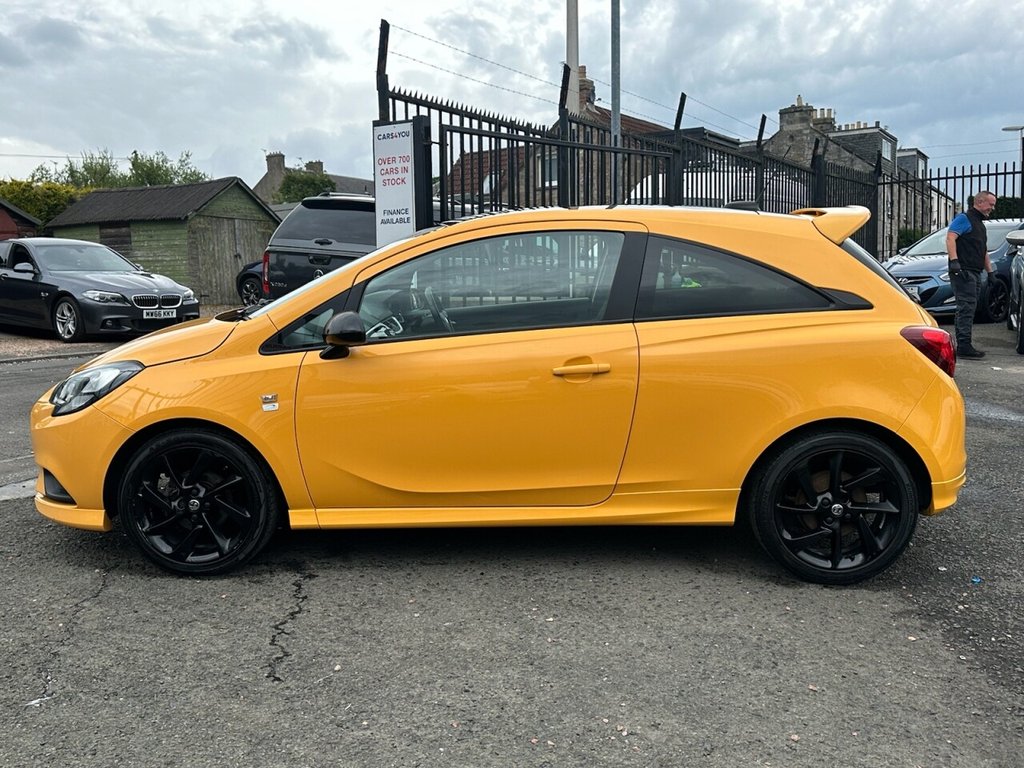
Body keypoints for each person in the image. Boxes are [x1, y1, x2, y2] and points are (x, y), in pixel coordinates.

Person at [945, 190, 997, 359]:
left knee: (969, 307)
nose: (992, 208)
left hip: (974, 271)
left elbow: (983, 251)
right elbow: (950, 237)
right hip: (963, 270)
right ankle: (964, 346)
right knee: (966, 307)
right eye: (991, 204)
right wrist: (954, 262)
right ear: (980, 202)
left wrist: (990, 273)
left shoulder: (979, 224)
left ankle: (963, 344)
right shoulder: (964, 218)